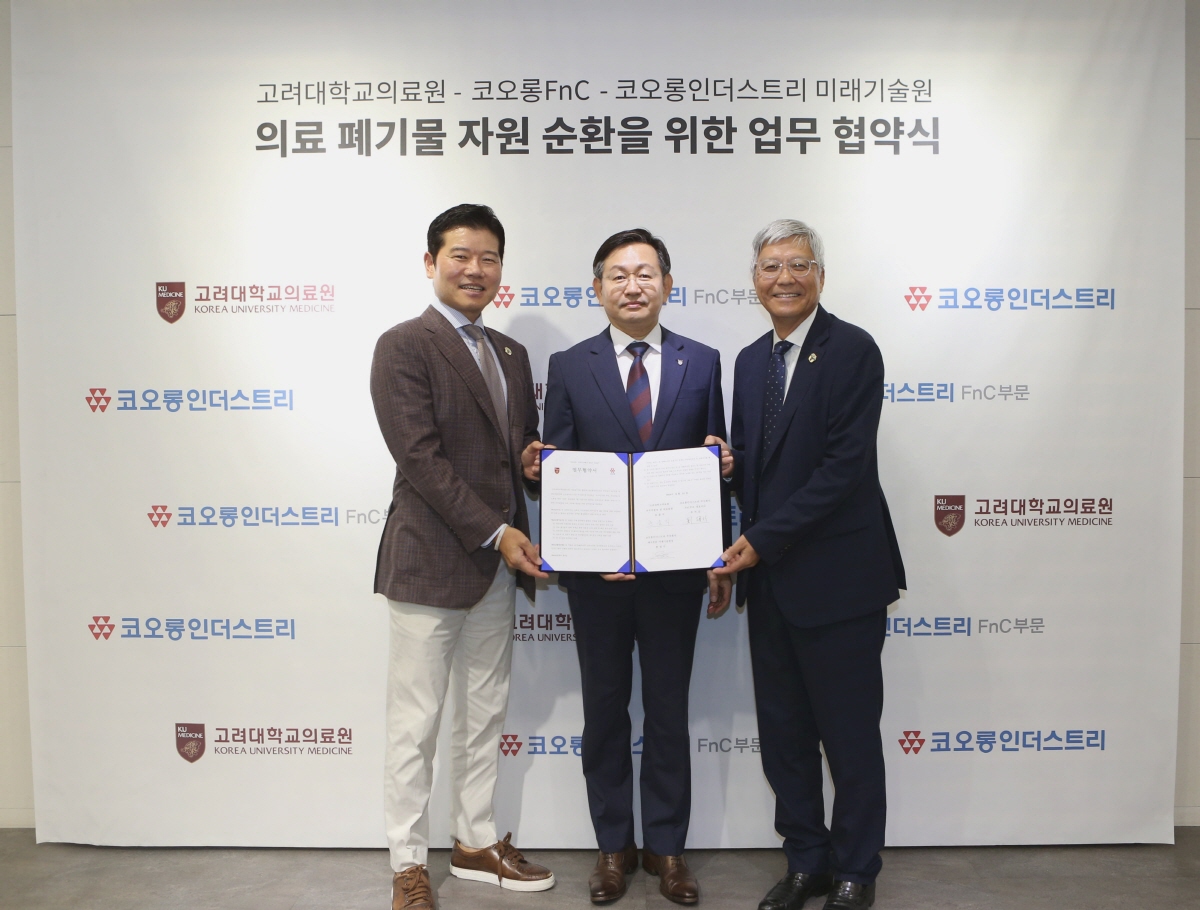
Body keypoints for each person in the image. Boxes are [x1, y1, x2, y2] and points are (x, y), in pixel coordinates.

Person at [714, 220, 905, 910]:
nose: (784, 278)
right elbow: (759, 469)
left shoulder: (853, 350)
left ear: (820, 275)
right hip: (770, 585)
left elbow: (843, 470)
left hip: (840, 580)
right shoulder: (749, 361)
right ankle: (806, 861)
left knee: (848, 738)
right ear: (754, 280)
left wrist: (762, 540)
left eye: (799, 265)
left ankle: (856, 868)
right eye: (771, 266)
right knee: (785, 738)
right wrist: (727, 468)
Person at [370, 203, 556, 910]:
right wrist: (499, 533)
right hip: (428, 563)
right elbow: (421, 460)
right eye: (461, 255)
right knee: (415, 724)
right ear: (431, 263)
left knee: (484, 714)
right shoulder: (403, 345)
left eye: (489, 258)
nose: (476, 270)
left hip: (495, 571)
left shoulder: (510, 353)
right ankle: (408, 863)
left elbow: (514, 456)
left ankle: (475, 841)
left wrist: (533, 464)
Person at [542, 228, 733, 906]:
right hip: (597, 583)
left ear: (667, 285)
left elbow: (713, 465)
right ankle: (612, 849)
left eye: (646, 273)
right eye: (618, 275)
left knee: (669, 713)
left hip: (675, 577)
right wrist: (581, 545)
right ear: (597, 288)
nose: (633, 286)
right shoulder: (570, 365)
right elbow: (558, 470)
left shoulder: (702, 361)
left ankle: (668, 849)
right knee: (604, 714)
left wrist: (719, 555)